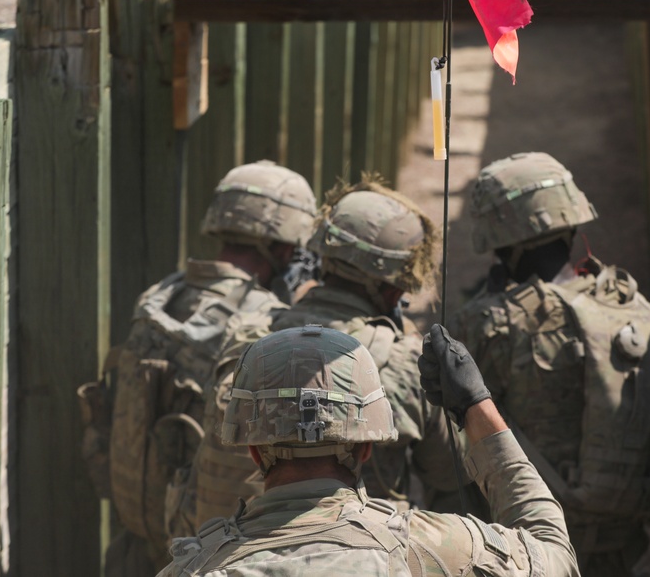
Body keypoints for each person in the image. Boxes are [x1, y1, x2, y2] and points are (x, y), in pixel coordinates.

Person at [157, 324, 580, 577]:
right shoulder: (437, 547)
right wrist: (475, 406)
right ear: (364, 449)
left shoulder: (194, 567)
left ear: (253, 451)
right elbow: (555, 556)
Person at [76, 160, 317, 576]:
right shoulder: (266, 324)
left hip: (136, 539)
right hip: (204, 557)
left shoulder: (160, 298)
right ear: (283, 248)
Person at [184, 178, 465, 529]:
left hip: (236, 551)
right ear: (395, 291)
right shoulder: (404, 362)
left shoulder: (245, 332)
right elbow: (452, 478)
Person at [450, 152, 650, 577]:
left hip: (531, 538)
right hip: (622, 531)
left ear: (501, 243)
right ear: (571, 226)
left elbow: (453, 434)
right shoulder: (627, 303)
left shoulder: (488, 321)